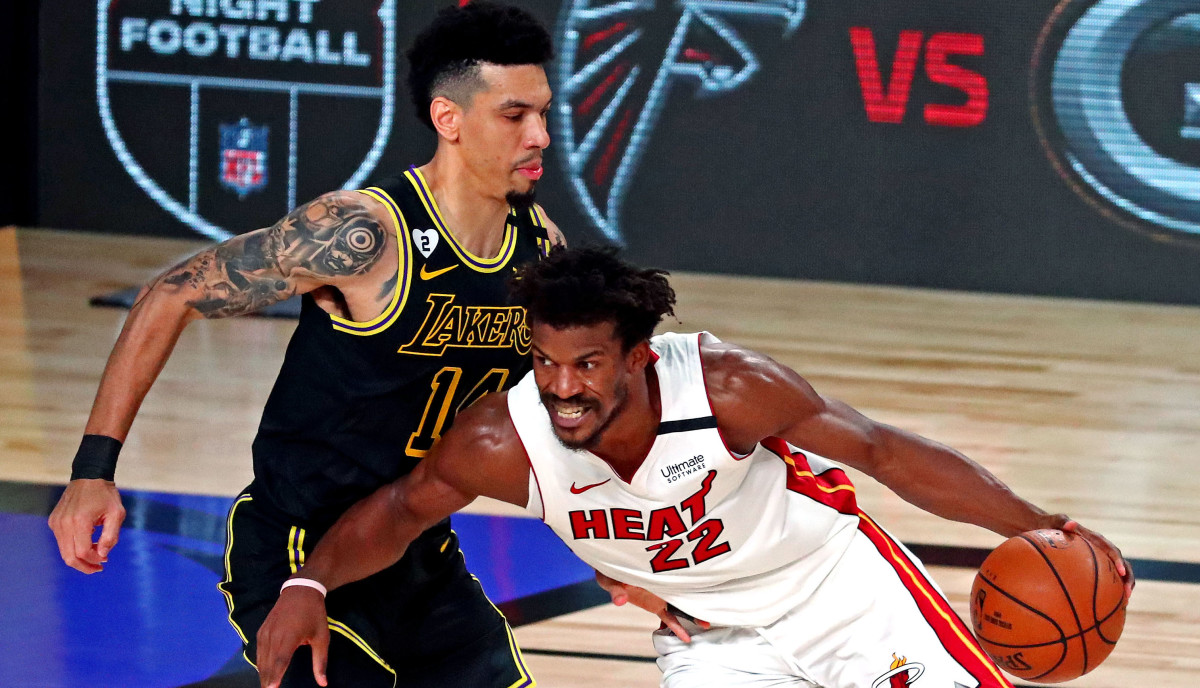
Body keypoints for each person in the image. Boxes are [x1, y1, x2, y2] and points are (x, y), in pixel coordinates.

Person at [254, 247, 1135, 688]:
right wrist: (309, 585)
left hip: (838, 590)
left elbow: (884, 452)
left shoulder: (728, 388)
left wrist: (1036, 524)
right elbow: (402, 509)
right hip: (711, 639)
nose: (562, 388)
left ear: (638, 357)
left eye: (587, 365)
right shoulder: (502, 439)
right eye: (546, 361)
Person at [47, 3, 563, 686]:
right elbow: (171, 294)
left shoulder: (541, 249)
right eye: (515, 115)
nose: (541, 136)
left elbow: (561, 410)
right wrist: (92, 471)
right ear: (449, 119)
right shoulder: (362, 234)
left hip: (414, 548)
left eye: (544, 113)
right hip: (295, 544)